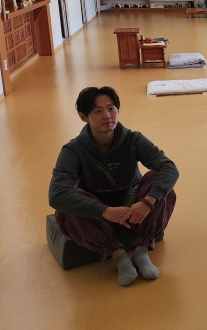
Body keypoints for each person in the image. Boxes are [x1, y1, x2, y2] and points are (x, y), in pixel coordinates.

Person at [49, 86, 178, 286]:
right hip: (99, 215)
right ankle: (118, 256)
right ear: (84, 117)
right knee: (66, 206)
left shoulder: (133, 139)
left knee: (160, 183)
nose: (107, 115)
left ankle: (141, 251)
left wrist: (146, 203)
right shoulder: (73, 150)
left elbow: (169, 167)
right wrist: (105, 211)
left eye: (111, 108)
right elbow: (56, 194)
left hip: (133, 207)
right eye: (98, 111)